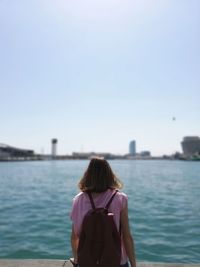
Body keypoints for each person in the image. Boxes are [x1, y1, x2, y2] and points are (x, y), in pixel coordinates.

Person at [70, 157, 137, 267]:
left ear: (88, 174)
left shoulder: (78, 200)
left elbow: (75, 236)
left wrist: (77, 259)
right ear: (109, 174)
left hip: (88, 261)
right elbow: (126, 236)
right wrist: (133, 264)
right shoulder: (120, 198)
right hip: (116, 261)